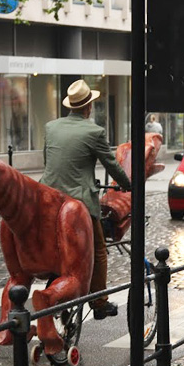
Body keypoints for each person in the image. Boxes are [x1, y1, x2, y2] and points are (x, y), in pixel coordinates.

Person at [40, 79, 132, 320]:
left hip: (50, 200)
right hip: (79, 204)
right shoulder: (94, 132)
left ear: (70, 105)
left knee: (56, 247)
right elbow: (111, 165)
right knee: (98, 249)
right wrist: (128, 185)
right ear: (89, 106)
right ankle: (100, 302)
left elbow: (48, 162)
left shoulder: (51, 127)